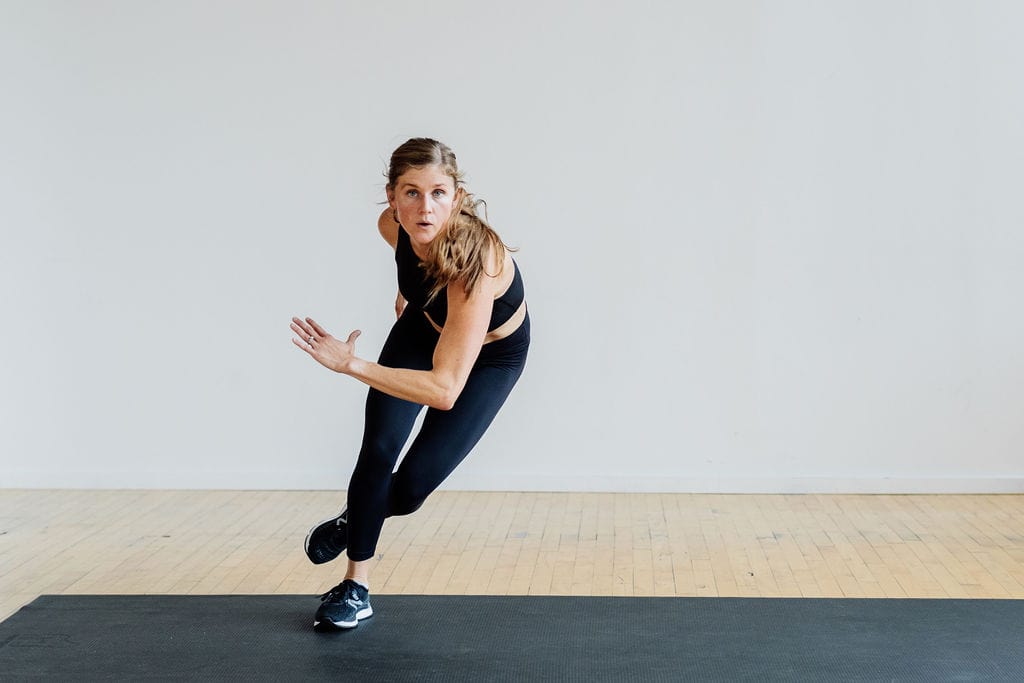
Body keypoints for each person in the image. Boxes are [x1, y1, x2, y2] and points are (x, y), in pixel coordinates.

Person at [290, 138, 530, 630]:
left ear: (457, 198)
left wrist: (350, 365)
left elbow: (445, 390)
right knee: (377, 451)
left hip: (490, 358)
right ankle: (354, 586)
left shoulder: (475, 262)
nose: (426, 207)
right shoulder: (392, 226)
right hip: (423, 330)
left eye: (439, 193)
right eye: (412, 192)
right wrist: (407, 298)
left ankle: (353, 519)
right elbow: (412, 267)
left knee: (413, 487)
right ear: (392, 197)